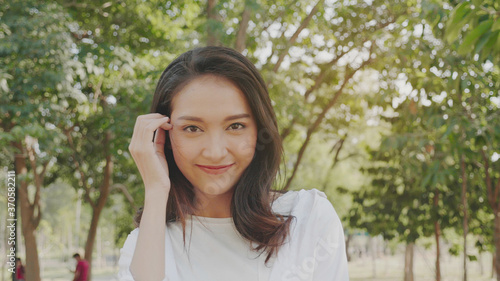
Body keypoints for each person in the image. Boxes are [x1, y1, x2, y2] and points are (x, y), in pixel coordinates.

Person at [118, 46, 349, 281]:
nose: (215, 152)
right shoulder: (146, 245)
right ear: (164, 136)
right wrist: (156, 191)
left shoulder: (309, 219)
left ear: (259, 130)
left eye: (235, 126)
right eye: (193, 128)